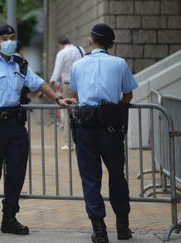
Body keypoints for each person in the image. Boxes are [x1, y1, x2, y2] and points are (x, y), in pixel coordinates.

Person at [0, 24, 76, 238]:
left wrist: (57, 98)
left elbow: (39, 84)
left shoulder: (20, 65)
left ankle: (9, 219)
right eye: (4, 38)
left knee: (16, 174)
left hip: (15, 125)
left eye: (12, 37)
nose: (9, 41)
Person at [69, 23, 137, 243]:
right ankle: (123, 227)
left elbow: (77, 95)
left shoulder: (78, 65)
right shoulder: (120, 63)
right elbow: (128, 95)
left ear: (91, 41)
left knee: (90, 178)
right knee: (117, 174)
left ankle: (99, 230)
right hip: (111, 128)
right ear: (112, 44)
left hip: (85, 127)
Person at [49, 36, 84, 150]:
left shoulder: (62, 53)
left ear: (60, 44)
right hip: (81, 84)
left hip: (67, 85)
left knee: (66, 113)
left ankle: (69, 143)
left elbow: (56, 72)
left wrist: (50, 85)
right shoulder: (81, 49)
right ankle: (82, 141)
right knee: (81, 111)